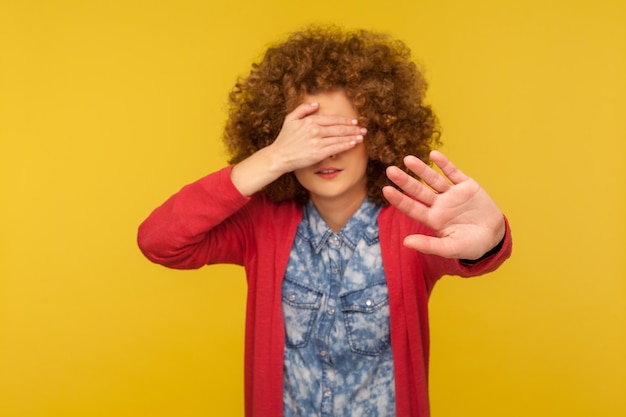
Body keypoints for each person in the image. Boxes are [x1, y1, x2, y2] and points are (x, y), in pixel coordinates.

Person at [137, 26, 512, 417]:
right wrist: (271, 159)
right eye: (308, 137)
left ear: (379, 135)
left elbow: (472, 252)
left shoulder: (412, 223)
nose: (324, 155)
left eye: (341, 135)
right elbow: (159, 240)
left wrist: (491, 237)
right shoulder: (261, 225)